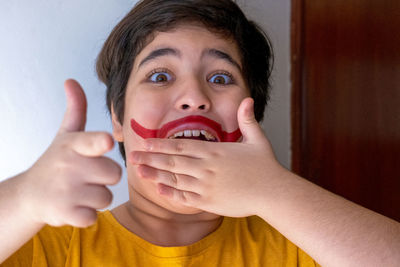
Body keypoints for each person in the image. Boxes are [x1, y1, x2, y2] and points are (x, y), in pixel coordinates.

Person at [1, 0, 399, 266]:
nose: (194, 96)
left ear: (251, 120)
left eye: (220, 77)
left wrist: (275, 191)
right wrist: (22, 197)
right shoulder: (52, 248)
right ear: (118, 120)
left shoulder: (302, 243)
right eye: (159, 76)